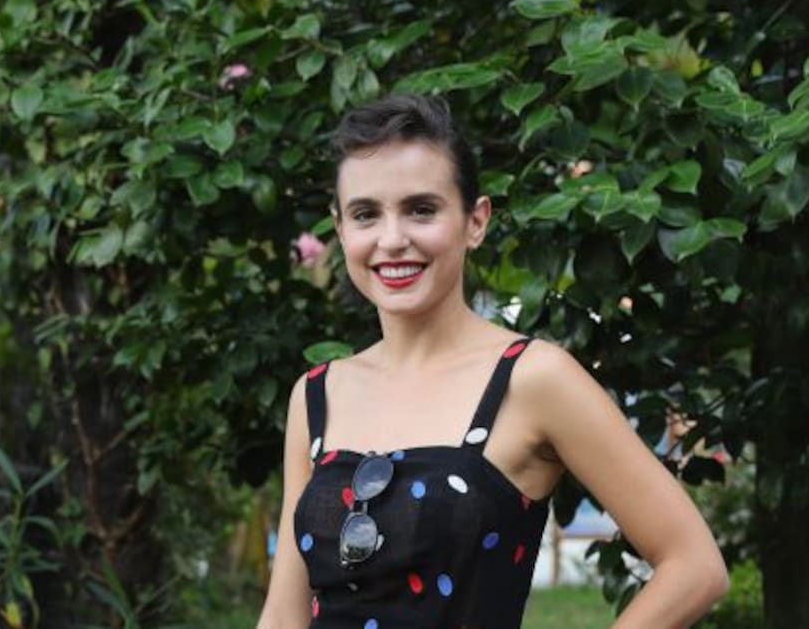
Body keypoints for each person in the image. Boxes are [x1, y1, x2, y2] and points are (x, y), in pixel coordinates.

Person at [256, 95, 728, 628]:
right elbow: (284, 615)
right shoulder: (317, 393)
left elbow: (694, 566)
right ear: (341, 230)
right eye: (366, 214)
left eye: (421, 209)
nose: (392, 240)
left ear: (475, 221)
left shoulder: (534, 378)